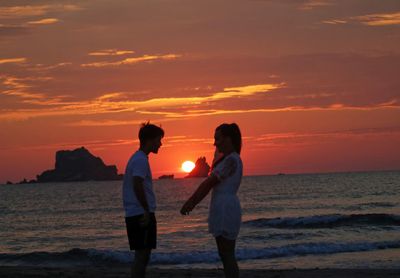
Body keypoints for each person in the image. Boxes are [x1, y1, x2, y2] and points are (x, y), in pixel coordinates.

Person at [180, 123, 243, 278]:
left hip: (225, 207)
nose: (215, 143)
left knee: (227, 254)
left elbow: (209, 183)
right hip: (223, 205)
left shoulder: (231, 160)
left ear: (228, 139)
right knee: (225, 254)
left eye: (218, 139)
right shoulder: (229, 159)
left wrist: (191, 202)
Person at [122, 122, 164, 278]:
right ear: (149, 140)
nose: (160, 144)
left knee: (142, 255)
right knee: (142, 256)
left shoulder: (138, 158)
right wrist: (146, 209)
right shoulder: (140, 160)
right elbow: (137, 184)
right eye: (158, 140)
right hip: (140, 213)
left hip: (137, 212)